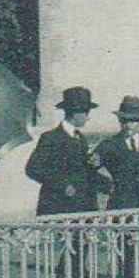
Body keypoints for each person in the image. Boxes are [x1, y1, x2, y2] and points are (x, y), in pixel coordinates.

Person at [25, 86, 109, 216]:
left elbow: (82, 171)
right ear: (76, 113)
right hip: (58, 208)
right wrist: (62, 186)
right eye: (87, 113)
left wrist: (99, 172)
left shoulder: (81, 138)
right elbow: (33, 168)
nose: (88, 117)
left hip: (83, 208)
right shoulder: (51, 138)